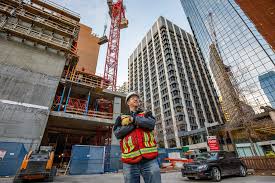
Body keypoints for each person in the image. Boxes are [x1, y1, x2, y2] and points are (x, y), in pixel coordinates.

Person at [113, 92, 162, 183]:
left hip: (149, 159)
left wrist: (133, 119)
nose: (136, 99)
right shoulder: (121, 118)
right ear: (128, 103)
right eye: (132, 98)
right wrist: (136, 124)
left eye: (137, 98)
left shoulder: (146, 114)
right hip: (129, 160)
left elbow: (151, 124)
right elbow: (117, 133)